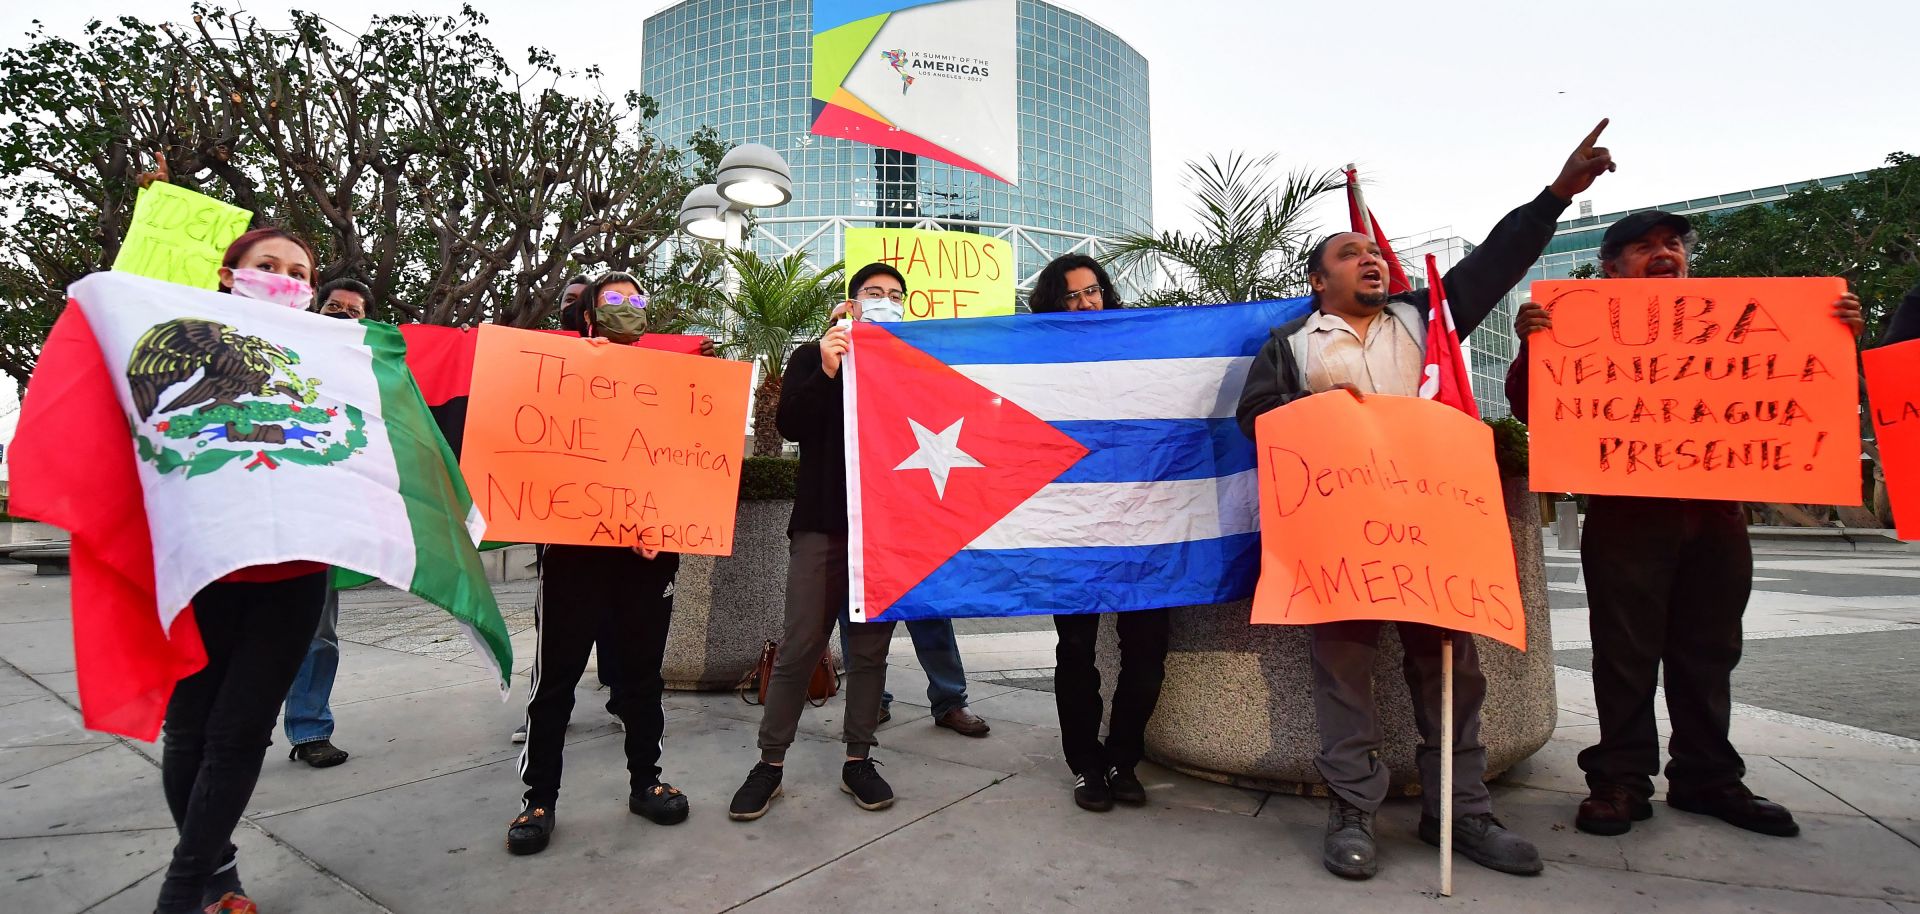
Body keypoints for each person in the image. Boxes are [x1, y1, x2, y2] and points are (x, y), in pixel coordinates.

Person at [1236, 120, 1621, 880]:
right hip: (1340, 543)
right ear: (1319, 281)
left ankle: (1463, 811)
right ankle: (1352, 810)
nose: (1371, 259)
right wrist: (1321, 416)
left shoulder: (1425, 320)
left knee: (1449, 671)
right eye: (1351, 255)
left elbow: (1495, 263)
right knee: (1342, 676)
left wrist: (1554, 197)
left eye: (1375, 252)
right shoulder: (1290, 346)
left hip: (1433, 537)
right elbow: (1254, 420)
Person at [1504, 211, 1865, 840]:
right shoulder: (1573, 330)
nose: (1664, 254)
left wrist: (1838, 339)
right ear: (1611, 270)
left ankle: (1708, 777)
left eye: (1672, 245)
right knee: (1624, 654)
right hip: (1627, 516)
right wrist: (1533, 346)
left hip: (1717, 515)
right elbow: (1531, 407)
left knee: (1710, 651)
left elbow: (1812, 396)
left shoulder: (1743, 325)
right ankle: (1619, 779)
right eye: (1644, 248)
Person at [155, 227, 332, 914]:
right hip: (201, 570)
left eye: (298, 271)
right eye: (267, 266)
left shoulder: (328, 360)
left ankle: (179, 893)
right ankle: (216, 875)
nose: (284, 278)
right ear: (228, 275)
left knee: (236, 735)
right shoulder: (176, 345)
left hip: (290, 577)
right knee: (190, 731)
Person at [505, 271, 691, 855]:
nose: (629, 307)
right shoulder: (553, 374)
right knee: (555, 681)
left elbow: (683, 465)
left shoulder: (670, 382)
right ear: (587, 312)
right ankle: (538, 799)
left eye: (639, 298)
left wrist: (670, 525)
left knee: (641, 676)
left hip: (646, 560)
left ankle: (646, 782)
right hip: (572, 558)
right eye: (615, 299)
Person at [726, 262, 915, 821]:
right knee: (800, 645)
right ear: (851, 303)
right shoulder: (815, 356)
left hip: (884, 533)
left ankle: (859, 757)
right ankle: (770, 763)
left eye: (894, 295)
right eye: (873, 293)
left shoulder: (913, 365)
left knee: (870, 651)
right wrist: (828, 367)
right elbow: (790, 425)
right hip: (821, 526)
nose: (884, 300)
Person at [1025, 253, 1167, 812]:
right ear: (1053, 305)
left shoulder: (1140, 351)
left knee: (1148, 656)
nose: (1086, 303)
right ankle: (1086, 765)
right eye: (1071, 296)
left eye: (1093, 292)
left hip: (1144, 527)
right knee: (1076, 652)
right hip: (1073, 527)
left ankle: (1122, 760)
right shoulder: (1036, 362)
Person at [281, 278, 374, 770]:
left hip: (319, 526)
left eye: (352, 312)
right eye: (332, 307)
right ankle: (222, 726)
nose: (340, 315)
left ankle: (310, 729)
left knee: (317, 634)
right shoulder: (276, 356)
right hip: (258, 517)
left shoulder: (368, 377)